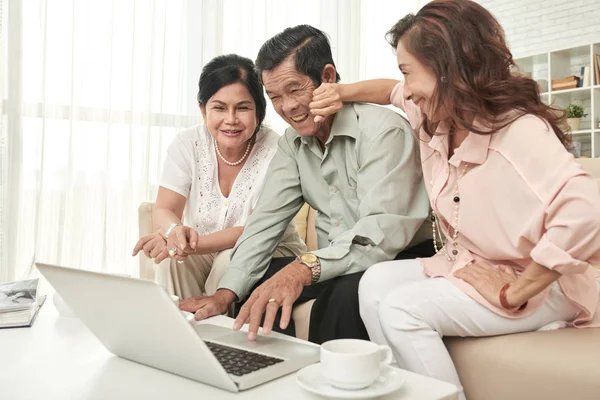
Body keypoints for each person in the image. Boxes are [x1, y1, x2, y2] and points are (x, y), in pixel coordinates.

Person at [310, 1, 600, 398]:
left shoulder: (518, 130)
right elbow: (389, 92)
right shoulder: (434, 114)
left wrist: (516, 292)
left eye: (409, 71)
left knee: (402, 310)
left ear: (448, 67)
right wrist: (339, 93)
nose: (407, 88)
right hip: (472, 263)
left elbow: (587, 211)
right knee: (373, 282)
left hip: (544, 287)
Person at [181, 25, 433, 344]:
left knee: (343, 296)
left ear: (327, 77)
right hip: (337, 261)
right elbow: (265, 222)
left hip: (399, 256)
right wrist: (224, 295)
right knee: (257, 285)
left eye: (295, 90)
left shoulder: (383, 133)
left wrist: (303, 268)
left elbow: (378, 237)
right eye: (275, 97)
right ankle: (263, 378)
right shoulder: (293, 144)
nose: (287, 107)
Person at [132, 54, 306, 302]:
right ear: (203, 110)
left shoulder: (279, 151)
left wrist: (191, 244)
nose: (231, 119)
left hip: (269, 248)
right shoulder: (187, 143)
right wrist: (174, 232)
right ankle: (182, 333)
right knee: (172, 261)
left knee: (229, 259)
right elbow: (164, 209)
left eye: (243, 108)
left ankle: (219, 336)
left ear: (259, 110)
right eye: (219, 107)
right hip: (203, 246)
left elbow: (255, 230)